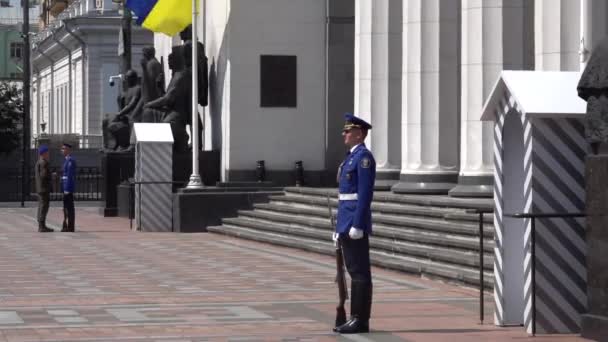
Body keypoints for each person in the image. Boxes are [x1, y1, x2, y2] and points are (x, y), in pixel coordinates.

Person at [333, 113, 376, 334]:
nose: (344, 134)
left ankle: (360, 319)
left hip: (354, 224)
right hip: (346, 223)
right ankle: (352, 316)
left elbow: (365, 194)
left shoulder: (363, 158)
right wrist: (338, 227)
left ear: (359, 134)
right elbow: (344, 198)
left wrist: (358, 224)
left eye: (348, 131)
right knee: (351, 271)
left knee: (359, 272)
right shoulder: (350, 157)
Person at [35, 145, 53, 233]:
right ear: (44, 153)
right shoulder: (44, 162)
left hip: (40, 188)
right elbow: (44, 175)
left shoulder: (39, 162)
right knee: (44, 206)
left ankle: (41, 224)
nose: (48, 154)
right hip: (44, 188)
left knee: (41, 206)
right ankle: (41, 226)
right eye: (47, 152)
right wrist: (52, 175)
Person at [61, 143, 76, 232]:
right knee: (66, 207)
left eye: (64, 149)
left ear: (68, 150)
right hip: (65, 187)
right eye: (62, 149)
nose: (62, 150)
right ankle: (67, 225)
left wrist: (66, 189)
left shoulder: (70, 161)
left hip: (68, 188)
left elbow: (69, 176)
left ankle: (70, 226)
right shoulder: (66, 160)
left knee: (69, 208)